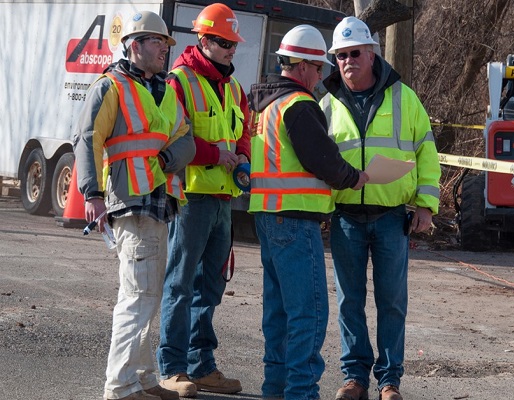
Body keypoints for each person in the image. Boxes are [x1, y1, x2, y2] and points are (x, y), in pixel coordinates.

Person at [73, 11, 195, 400]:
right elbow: (87, 138)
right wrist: (91, 193)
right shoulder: (111, 86)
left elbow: (186, 138)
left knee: (149, 294)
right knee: (138, 296)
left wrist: (166, 159)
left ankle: (141, 378)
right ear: (135, 44)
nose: (165, 49)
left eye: (166, 44)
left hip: (159, 203)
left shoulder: (165, 90)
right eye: (158, 43)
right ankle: (121, 386)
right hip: (132, 202)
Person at [320, 16, 441, 400]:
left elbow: (426, 151)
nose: (347, 61)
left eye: (354, 53)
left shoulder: (404, 97)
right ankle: (355, 378)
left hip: (392, 218)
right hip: (345, 219)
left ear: (372, 54)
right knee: (348, 301)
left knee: (391, 301)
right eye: (340, 55)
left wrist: (426, 205)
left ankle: (390, 381)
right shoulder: (326, 103)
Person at [248, 25, 369, 400]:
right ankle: (300, 393)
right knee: (309, 314)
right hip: (296, 222)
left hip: (268, 218)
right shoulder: (299, 105)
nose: (321, 77)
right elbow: (322, 160)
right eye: (319, 68)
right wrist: (354, 177)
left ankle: (276, 389)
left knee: (280, 314)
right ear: (302, 66)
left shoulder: (266, 103)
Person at [156, 3, 250, 398]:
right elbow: (173, 139)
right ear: (204, 39)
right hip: (192, 196)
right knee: (180, 283)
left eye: (233, 42)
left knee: (209, 285)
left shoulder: (233, 87)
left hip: (222, 199)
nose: (232, 48)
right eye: (225, 42)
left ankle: (201, 364)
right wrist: (216, 155)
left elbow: (245, 127)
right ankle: (173, 368)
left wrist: (243, 155)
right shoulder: (179, 80)